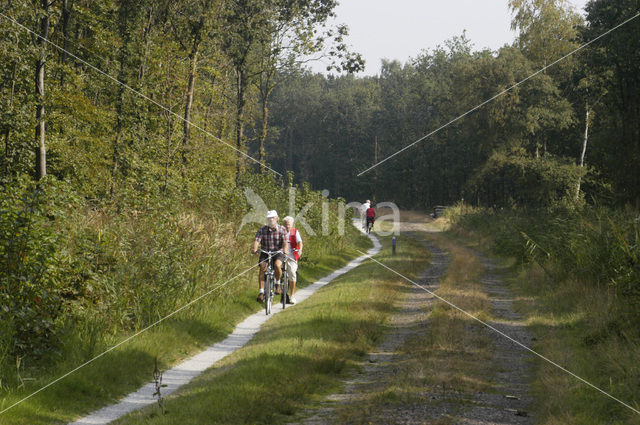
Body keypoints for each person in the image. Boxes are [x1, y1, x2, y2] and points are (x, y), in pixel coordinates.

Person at [252, 210, 289, 303]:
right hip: (265, 252)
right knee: (262, 268)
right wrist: (255, 248)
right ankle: (261, 292)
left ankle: (277, 284)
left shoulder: (282, 229)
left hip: (278, 252)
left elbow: (285, 242)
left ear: (276, 219)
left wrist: (285, 250)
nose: (271, 220)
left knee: (277, 265)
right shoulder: (262, 229)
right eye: (269, 218)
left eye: (272, 218)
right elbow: (257, 240)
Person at [282, 216, 303, 304]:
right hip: (281, 254)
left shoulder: (295, 231)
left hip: (292, 255)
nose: (287, 226)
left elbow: (300, 242)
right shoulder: (281, 231)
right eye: (286, 224)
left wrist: (300, 250)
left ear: (292, 224)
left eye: (289, 224)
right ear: (284, 224)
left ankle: (292, 295)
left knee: (292, 273)